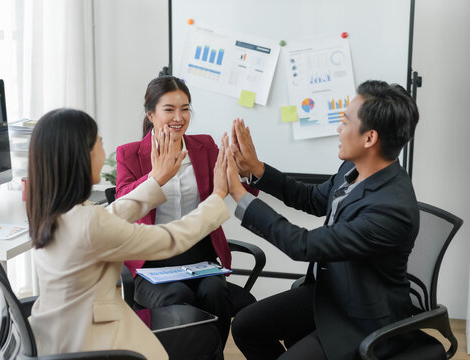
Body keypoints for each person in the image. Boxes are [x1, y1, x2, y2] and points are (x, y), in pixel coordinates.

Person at [224, 80, 420, 360]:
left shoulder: (391, 208)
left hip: (361, 321)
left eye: (346, 121)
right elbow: (312, 198)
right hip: (330, 294)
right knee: (245, 326)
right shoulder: (353, 167)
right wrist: (257, 169)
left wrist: (239, 195)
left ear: (369, 138)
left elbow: (302, 245)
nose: (339, 129)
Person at [27, 108, 231, 360]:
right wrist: (218, 196)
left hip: (57, 334)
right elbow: (170, 240)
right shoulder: (90, 222)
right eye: (99, 143)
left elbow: (112, 213)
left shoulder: (51, 211)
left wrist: (156, 179)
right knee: (206, 338)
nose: (104, 151)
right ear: (82, 156)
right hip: (95, 342)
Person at [116, 75, 258, 349]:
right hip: (152, 261)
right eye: (169, 109)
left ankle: (213, 356)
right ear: (150, 114)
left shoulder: (204, 146)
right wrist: (156, 177)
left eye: (185, 108)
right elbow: (123, 203)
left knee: (215, 292)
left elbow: (238, 187)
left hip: (199, 256)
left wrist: (247, 170)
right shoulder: (130, 154)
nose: (179, 117)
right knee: (177, 296)